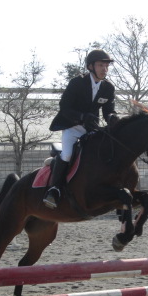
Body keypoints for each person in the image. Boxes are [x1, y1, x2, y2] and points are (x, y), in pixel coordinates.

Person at [43, 49, 119, 209]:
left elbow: (108, 110)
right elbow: (65, 107)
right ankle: (54, 189)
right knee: (67, 154)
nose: (104, 69)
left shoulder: (108, 88)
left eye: (106, 66)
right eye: (101, 65)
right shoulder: (77, 83)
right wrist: (82, 116)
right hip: (72, 126)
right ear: (91, 66)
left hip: (91, 128)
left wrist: (112, 117)